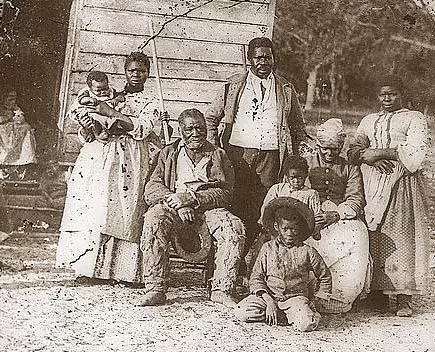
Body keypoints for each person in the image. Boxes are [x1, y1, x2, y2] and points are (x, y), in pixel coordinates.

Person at [56, 52, 162, 285]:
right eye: (132, 70)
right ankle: (89, 269)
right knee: (96, 207)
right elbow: (86, 131)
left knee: (125, 210)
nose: (136, 74)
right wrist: (88, 125)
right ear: (125, 71)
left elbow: (142, 129)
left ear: (148, 73)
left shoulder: (152, 101)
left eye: (141, 70)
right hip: (99, 156)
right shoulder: (109, 93)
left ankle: (123, 272)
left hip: (130, 157)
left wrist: (110, 113)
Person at [205, 36, 308, 260]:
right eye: (258, 58)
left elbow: (298, 127)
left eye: (268, 57)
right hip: (237, 155)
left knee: (261, 210)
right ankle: (223, 264)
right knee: (233, 205)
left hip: (270, 158)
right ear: (250, 59)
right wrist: (215, 151)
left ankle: (248, 265)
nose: (264, 62)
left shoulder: (285, 88)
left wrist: (296, 157)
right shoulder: (233, 85)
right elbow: (211, 118)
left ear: (274, 59)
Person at [137, 108, 246, 308]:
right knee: (154, 218)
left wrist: (192, 199)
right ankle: (155, 287)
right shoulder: (168, 153)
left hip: (206, 208)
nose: (195, 133)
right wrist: (176, 201)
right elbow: (151, 189)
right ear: (181, 130)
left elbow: (226, 192)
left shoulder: (218, 154)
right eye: (189, 129)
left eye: (200, 128)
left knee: (233, 227)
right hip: (173, 206)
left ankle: (222, 288)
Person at [348, 75, 429, 317]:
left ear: (401, 94)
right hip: (371, 181)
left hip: (401, 182)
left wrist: (380, 152)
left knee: (402, 236)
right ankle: (377, 294)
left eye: (392, 94)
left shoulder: (414, 118)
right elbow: (353, 150)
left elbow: (416, 152)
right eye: (383, 94)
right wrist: (367, 156)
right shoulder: (368, 120)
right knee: (375, 236)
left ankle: (404, 297)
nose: (386, 98)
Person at [235, 197, 331, 332]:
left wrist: (318, 300)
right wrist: (269, 301)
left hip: (295, 299)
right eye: (285, 229)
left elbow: (324, 275)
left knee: (306, 324)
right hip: (269, 297)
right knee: (242, 312)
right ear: (277, 227)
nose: (290, 233)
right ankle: (279, 314)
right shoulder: (267, 248)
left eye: (294, 229)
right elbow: (256, 277)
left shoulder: (307, 251)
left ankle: (291, 314)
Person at [305, 118, 371, 313]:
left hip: (340, 215)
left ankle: (340, 297)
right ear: (317, 145)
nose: (328, 153)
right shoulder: (306, 162)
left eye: (334, 149)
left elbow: (356, 199)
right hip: (310, 212)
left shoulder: (349, 167)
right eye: (324, 148)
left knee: (356, 235)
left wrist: (335, 214)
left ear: (341, 146)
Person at [69, 70, 123, 142]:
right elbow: (81, 99)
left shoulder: (111, 91)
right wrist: (89, 99)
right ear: (90, 88)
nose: (103, 92)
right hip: (93, 113)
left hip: (106, 114)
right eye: (98, 90)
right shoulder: (87, 92)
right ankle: (97, 135)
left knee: (112, 122)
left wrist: (116, 99)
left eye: (105, 88)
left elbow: (121, 96)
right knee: (93, 121)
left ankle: (106, 132)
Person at [0, 85, 37, 180]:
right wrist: (9, 118)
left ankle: (21, 161)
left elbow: (20, 117)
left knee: (27, 128)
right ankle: (5, 161)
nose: (13, 102)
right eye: (10, 99)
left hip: (14, 129)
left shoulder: (15, 107)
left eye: (14, 99)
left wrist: (18, 116)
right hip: (3, 128)